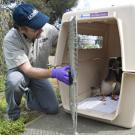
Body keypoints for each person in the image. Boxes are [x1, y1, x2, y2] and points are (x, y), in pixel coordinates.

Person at [3, 3, 71, 121]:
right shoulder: (11, 40)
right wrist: (55, 73)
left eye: (40, 23)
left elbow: (65, 41)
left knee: (53, 108)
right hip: (21, 73)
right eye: (35, 27)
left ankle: (29, 98)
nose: (41, 29)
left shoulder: (48, 29)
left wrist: (69, 24)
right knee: (14, 82)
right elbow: (28, 70)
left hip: (40, 74)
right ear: (22, 29)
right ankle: (13, 114)